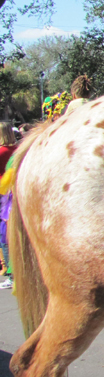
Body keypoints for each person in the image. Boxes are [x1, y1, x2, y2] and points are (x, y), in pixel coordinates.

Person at [0, 121, 17, 290]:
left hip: (4, 195)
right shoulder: (16, 150)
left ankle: (11, 273)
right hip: (13, 193)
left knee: (4, 234)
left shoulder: (2, 151)